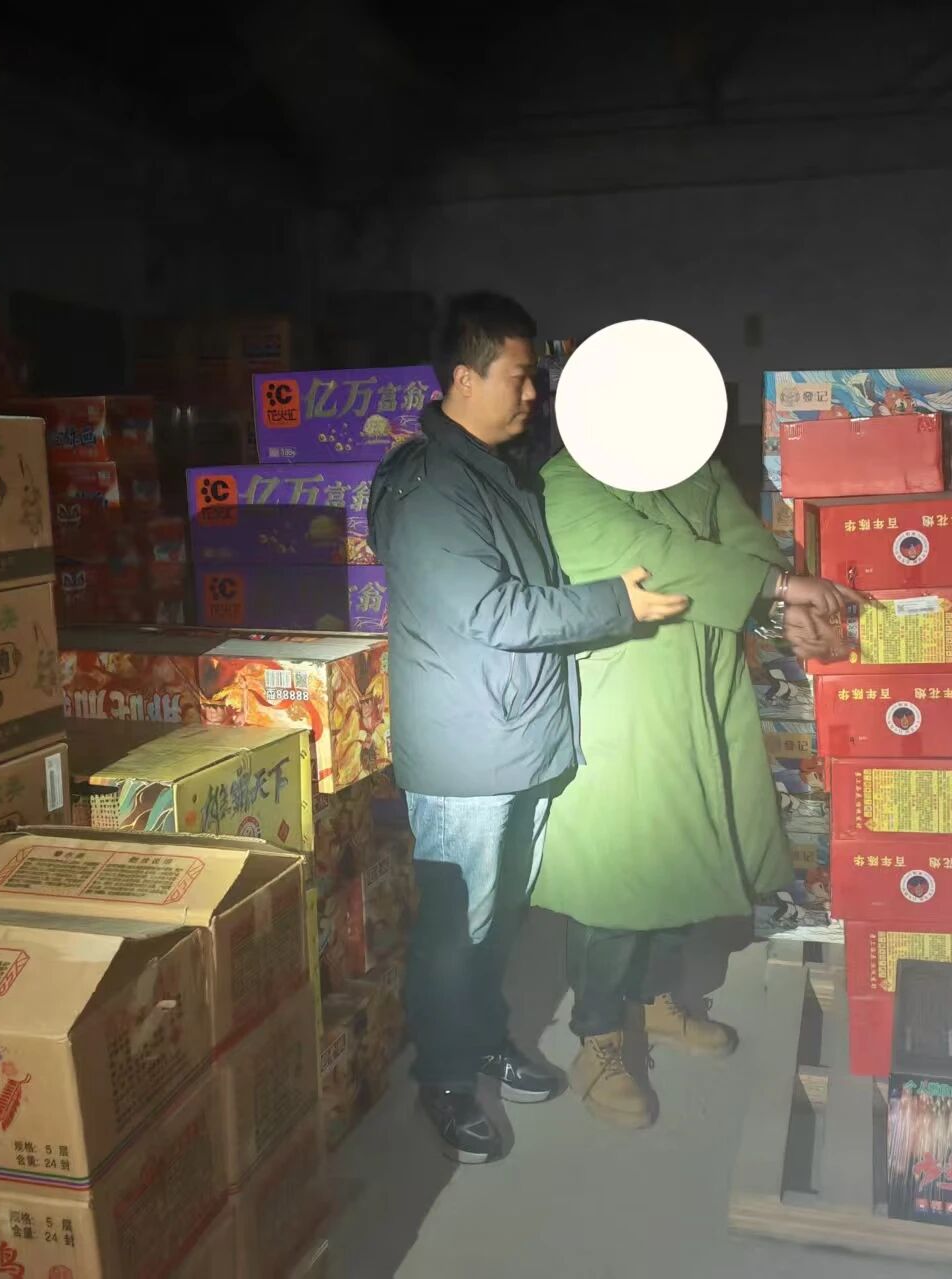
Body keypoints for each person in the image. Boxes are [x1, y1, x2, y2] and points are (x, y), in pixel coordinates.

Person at [366, 292, 690, 1162]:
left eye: (535, 375)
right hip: (467, 752)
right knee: (455, 929)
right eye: (519, 375)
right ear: (465, 377)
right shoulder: (431, 487)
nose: (533, 392)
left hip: (517, 738)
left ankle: (483, 1039)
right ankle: (443, 1077)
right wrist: (616, 606)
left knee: (498, 917)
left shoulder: (497, 472)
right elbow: (496, 610)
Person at [533, 448, 860, 1128]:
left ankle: (653, 999)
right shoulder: (569, 480)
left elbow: (746, 543)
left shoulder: (693, 468)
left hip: (708, 688)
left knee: (691, 854)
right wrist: (777, 589)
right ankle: (597, 1038)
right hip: (625, 696)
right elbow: (656, 560)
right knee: (615, 879)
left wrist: (779, 609)